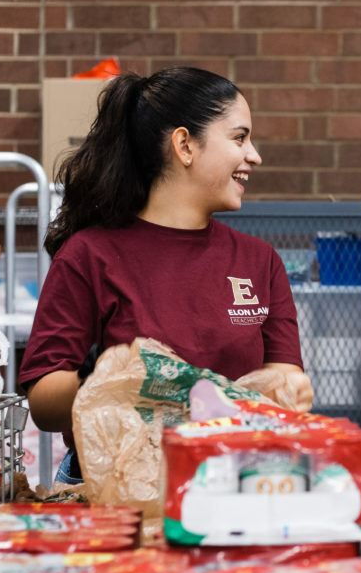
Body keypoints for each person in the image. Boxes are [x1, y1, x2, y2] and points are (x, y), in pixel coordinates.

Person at [19, 66, 312, 483]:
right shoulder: (89, 255)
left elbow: (287, 376)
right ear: (184, 145)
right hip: (115, 487)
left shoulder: (259, 261)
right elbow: (43, 403)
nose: (254, 155)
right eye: (239, 137)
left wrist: (285, 388)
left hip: (237, 479)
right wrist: (113, 378)